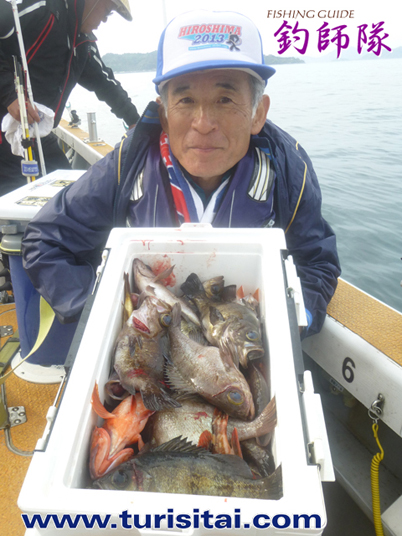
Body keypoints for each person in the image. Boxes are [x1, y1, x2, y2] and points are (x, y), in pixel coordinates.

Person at [21, 9, 341, 338]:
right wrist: (103, 315)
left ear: (258, 112)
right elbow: (45, 240)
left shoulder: (287, 170)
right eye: (186, 99)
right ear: (163, 113)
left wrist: (295, 323)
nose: (203, 123)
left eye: (225, 99)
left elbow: (317, 260)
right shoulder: (126, 166)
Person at [0, 0, 140, 196]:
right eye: (107, 11)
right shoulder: (42, 7)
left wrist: (136, 121)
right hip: (6, 134)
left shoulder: (83, 45)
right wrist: (9, 94)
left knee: (68, 198)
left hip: (38, 135)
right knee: (14, 206)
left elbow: (106, 83)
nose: (105, 20)